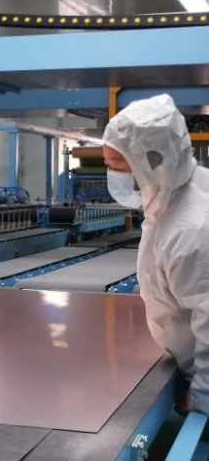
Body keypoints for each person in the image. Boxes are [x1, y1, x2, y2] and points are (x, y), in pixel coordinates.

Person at [103, 93, 209, 416]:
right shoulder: (174, 193)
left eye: (118, 166)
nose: (113, 176)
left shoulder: (190, 229)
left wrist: (201, 396)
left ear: (153, 160)